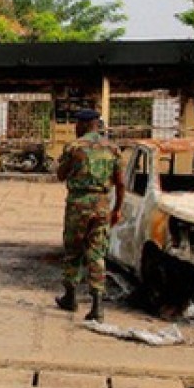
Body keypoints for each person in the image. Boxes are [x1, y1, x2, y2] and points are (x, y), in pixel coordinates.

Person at [55, 108, 125, 322]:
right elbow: (121, 182)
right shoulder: (113, 148)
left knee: (73, 250)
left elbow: (60, 175)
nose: (75, 127)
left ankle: (70, 296)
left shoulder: (74, 147)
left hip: (78, 204)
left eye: (77, 124)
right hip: (102, 204)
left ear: (84, 125)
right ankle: (97, 305)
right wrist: (117, 209)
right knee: (97, 252)